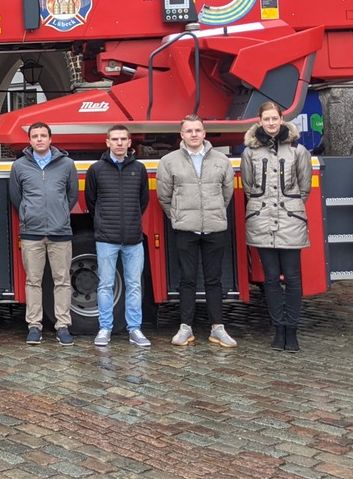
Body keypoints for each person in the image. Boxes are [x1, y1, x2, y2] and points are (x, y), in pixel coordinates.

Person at [157, 115, 236, 347]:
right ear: (181, 135)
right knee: (187, 279)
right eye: (189, 131)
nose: (194, 134)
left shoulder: (221, 160)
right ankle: (185, 328)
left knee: (214, 279)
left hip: (214, 228)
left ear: (204, 133)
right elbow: (164, 195)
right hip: (185, 229)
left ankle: (218, 328)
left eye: (197, 130)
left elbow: (227, 193)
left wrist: (214, 213)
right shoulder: (169, 161)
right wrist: (179, 217)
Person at [241, 102, 312, 353]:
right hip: (261, 221)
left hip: (290, 221)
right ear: (259, 122)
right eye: (266, 119)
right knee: (270, 279)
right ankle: (277, 328)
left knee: (292, 278)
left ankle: (291, 331)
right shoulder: (250, 152)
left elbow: (305, 188)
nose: (270, 123)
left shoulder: (298, 150)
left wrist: (288, 207)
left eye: (274, 118)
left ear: (282, 119)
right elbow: (249, 187)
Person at [9, 121, 79, 346]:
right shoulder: (19, 166)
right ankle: (34, 326)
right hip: (32, 233)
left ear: (50, 139)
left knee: (62, 280)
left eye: (43, 135)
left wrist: (59, 214)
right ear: (29, 140)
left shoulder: (67, 164)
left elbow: (72, 196)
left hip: (60, 232)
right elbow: (16, 198)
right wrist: (29, 215)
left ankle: (62, 326)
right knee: (33, 281)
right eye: (35, 136)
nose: (39, 139)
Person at [85, 124, 151, 348]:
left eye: (123, 139)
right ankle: (105, 328)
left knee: (134, 285)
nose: (120, 143)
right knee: (105, 285)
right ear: (107, 142)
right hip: (106, 238)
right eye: (115, 139)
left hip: (133, 239)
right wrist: (104, 223)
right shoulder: (96, 169)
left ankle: (135, 329)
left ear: (129, 143)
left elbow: (142, 201)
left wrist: (131, 221)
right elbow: (91, 202)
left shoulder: (139, 169)